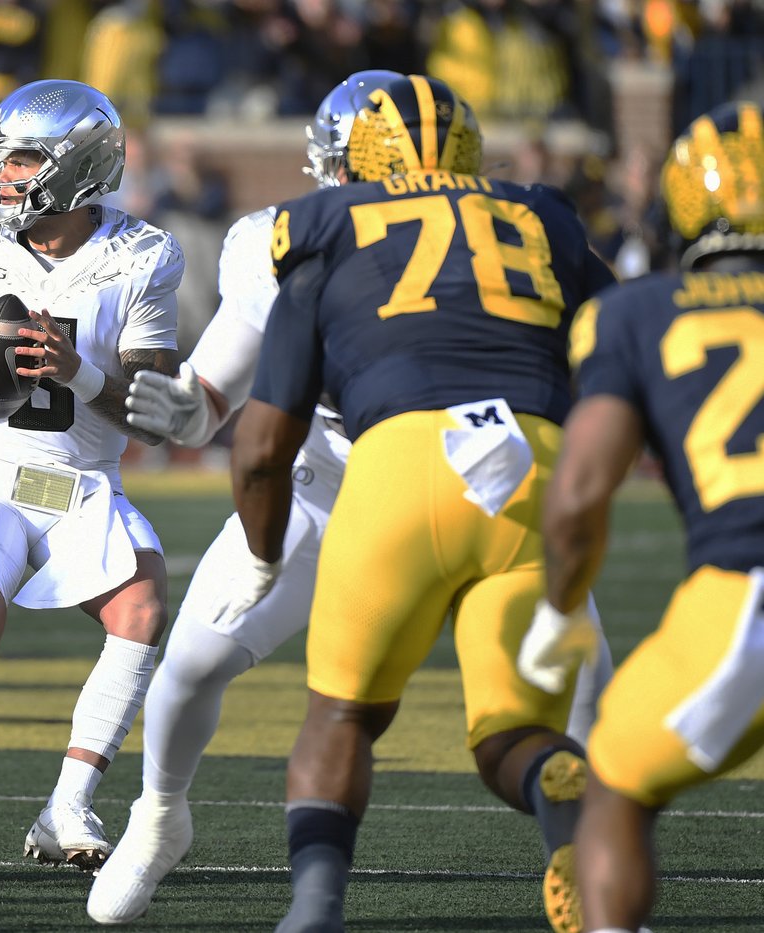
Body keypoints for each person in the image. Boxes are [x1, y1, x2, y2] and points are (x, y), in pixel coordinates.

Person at [88, 69, 617, 927]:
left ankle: (585, 867)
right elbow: (215, 392)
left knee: (572, 693)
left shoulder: (319, 227)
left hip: (375, 480)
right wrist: (192, 407)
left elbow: (249, 433)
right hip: (362, 479)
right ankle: (158, 816)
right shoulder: (524, 216)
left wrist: (223, 465)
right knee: (191, 664)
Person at [0, 78, 183, 877]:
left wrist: (79, 372)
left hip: (81, 479)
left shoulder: (143, 255)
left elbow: (157, 416)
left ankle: (68, 805)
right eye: (1, 158)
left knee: (141, 604)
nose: (3, 176)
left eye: (22, 160)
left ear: (80, 166)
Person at [517, 100, 764, 933]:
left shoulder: (638, 310)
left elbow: (581, 489)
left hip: (745, 594)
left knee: (614, 774)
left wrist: (560, 609)